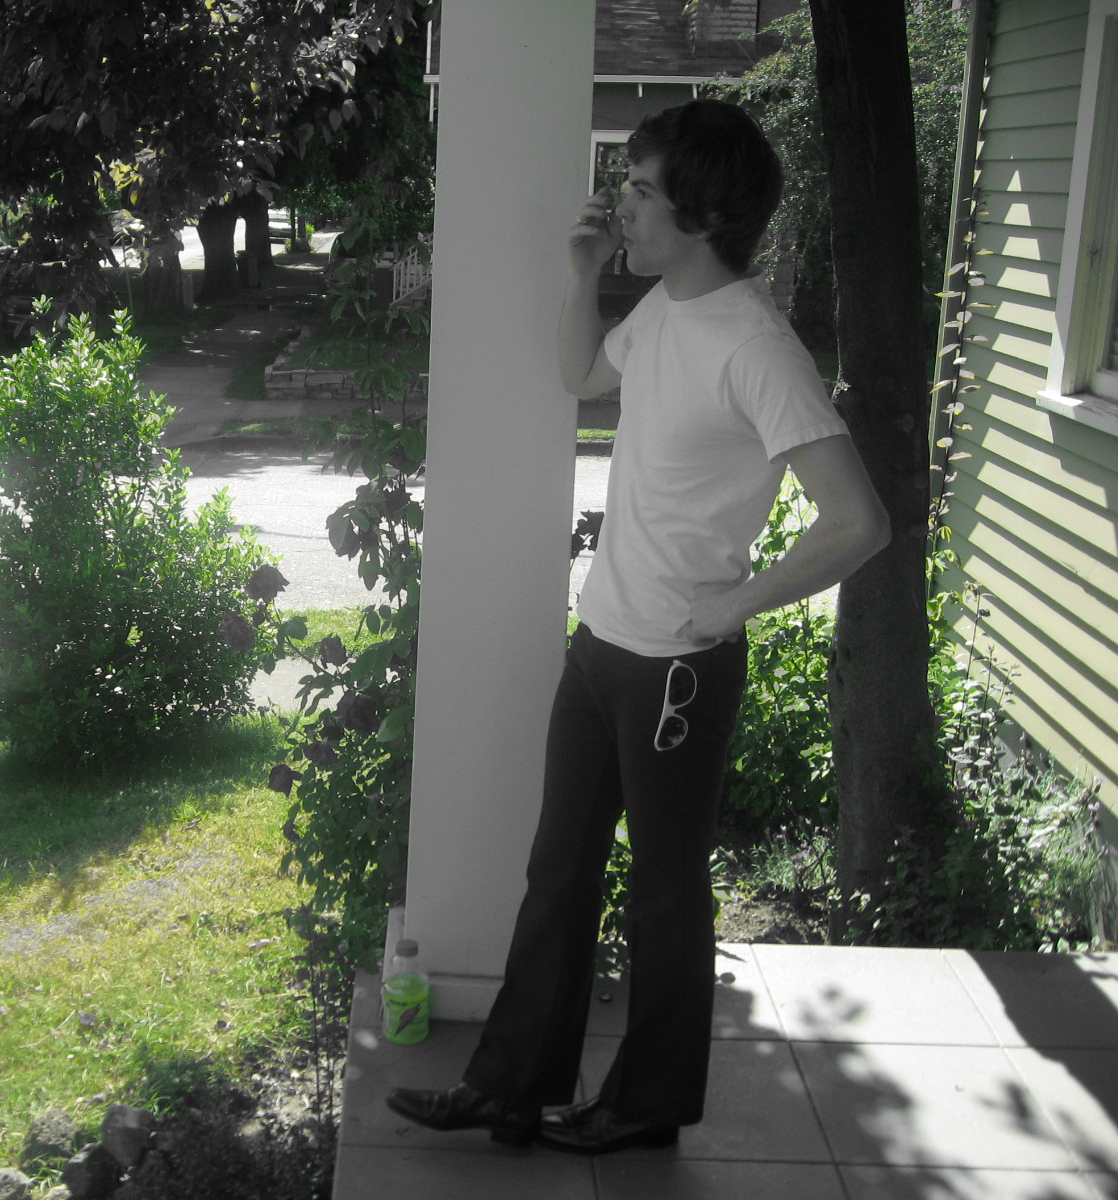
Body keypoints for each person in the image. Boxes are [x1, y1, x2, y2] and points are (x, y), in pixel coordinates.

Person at [385, 99, 890, 1156]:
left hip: (678, 671)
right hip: (601, 642)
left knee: (664, 896)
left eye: (641, 187)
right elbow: (580, 377)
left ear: (699, 214)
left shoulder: (756, 346)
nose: (622, 199)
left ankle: (647, 1103)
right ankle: (511, 1087)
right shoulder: (663, 308)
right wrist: (582, 273)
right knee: (557, 870)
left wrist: (735, 605)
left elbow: (856, 522)